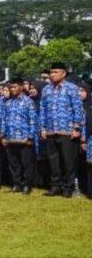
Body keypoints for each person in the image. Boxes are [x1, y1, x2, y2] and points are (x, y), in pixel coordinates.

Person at [40, 62, 84, 198]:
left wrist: (77, 127)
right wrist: (42, 127)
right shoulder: (46, 90)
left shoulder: (72, 88)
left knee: (68, 161)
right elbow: (42, 109)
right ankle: (55, 186)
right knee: (53, 161)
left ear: (64, 73)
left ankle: (68, 187)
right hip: (51, 130)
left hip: (67, 130)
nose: (53, 75)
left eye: (55, 72)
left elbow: (78, 108)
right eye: (51, 73)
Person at [3, 77, 38, 195]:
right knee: (14, 163)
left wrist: (31, 137)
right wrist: (3, 136)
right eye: (11, 87)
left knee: (27, 163)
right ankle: (17, 184)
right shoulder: (8, 103)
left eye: (14, 87)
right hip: (10, 138)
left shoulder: (29, 102)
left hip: (24, 139)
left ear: (21, 87)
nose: (12, 89)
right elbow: (4, 120)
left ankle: (27, 185)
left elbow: (33, 120)